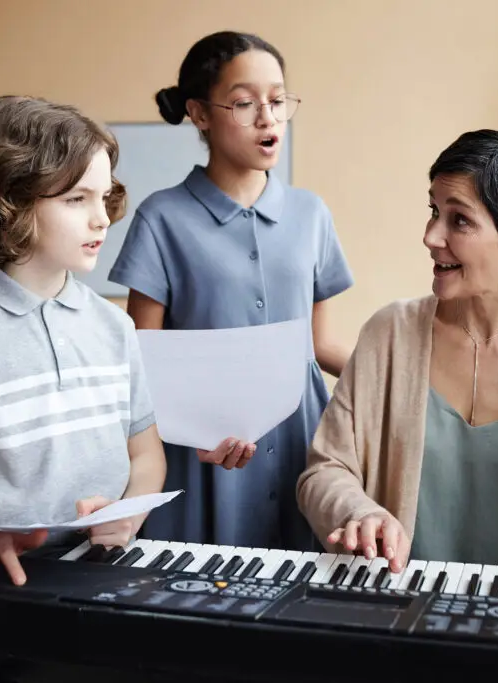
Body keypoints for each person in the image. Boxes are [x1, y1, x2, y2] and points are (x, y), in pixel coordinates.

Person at [0, 95, 167, 596]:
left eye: (103, 198)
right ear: (9, 202)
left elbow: (147, 458)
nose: (102, 218)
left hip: (105, 575)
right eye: (76, 199)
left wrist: (128, 516)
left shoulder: (114, 326)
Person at [296, 130, 498, 574]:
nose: (431, 236)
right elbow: (325, 469)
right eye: (434, 211)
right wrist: (357, 512)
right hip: (384, 622)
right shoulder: (388, 333)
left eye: (460, 220)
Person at [108, 31, 354, 551]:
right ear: (199, 114)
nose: (268, 117)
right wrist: (195, 432)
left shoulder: (311, 214)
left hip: (301, 443)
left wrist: (400, 383)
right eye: (245, 103)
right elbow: (140, 364)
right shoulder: (161, 218)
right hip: (201, 452)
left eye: (278, 100)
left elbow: (320, 343)